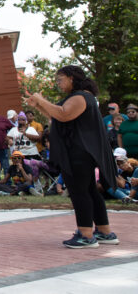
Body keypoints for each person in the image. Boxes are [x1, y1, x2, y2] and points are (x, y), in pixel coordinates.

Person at [24, 65, 119, 248]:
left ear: (71, 78)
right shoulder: (82, 97)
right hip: (81, 152)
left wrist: (41, 100)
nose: (58, 84)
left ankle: (85, 234)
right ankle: (104, 231)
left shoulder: (80, 97)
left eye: (60, 79)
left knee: (79, 192)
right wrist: (39, 104)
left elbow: (64, 114)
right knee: (90, 190)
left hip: (78, 152)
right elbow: (56, 117)